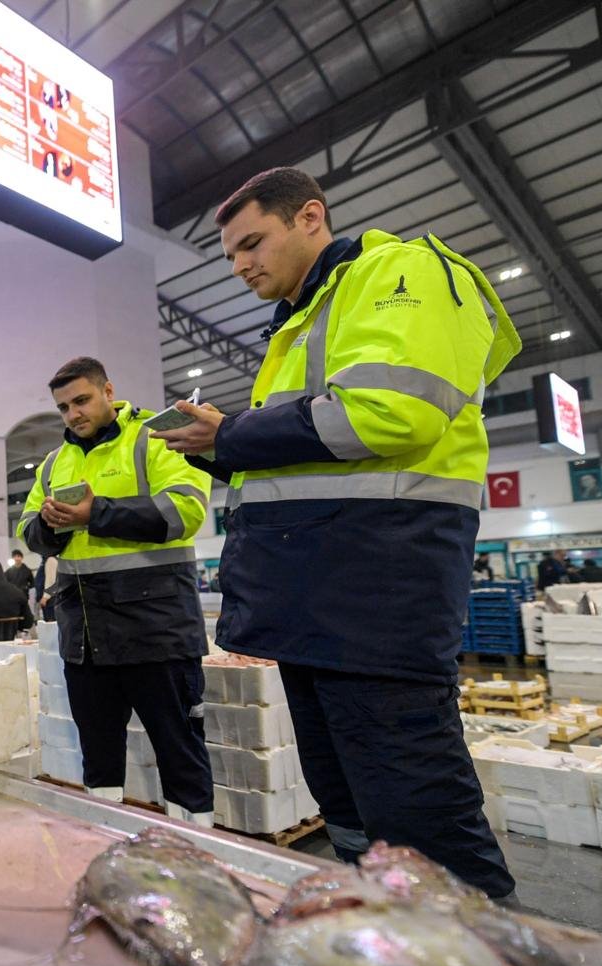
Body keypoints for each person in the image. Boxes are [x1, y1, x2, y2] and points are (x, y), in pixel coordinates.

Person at [152, 166, 519, 896]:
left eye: (252, 242)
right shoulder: (298, 324)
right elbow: (295, 464)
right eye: (230, 255)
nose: (240, 265)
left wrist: (236, 434)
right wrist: (225, 450)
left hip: (378, 586)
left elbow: (391, 410)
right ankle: (386, 936)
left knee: (415, 804)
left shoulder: (400, 271)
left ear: (310, 217)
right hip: (315, 598)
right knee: (347, 800)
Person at [18, 356, 215, 825]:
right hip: (86, 640)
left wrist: (95, 512)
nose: (73, 415)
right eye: (64, 408)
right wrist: (51, 526)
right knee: (99, 759)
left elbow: (184, 511)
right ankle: (102, 843)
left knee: (179, 752)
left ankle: (195, 857)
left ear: (109, 391)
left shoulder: (155, 437)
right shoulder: (53, 465)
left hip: (158, 633)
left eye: (81, 400)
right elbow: (27, 530)